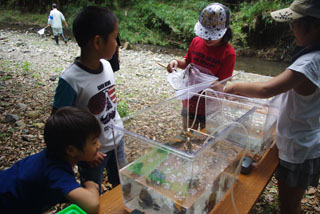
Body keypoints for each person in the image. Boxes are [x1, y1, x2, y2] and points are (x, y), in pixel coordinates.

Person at [224, 1, 320, 213]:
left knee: (288, 206)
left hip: (299, 149)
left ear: (316, 26)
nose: (291, 28)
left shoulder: (309, 63)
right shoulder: (314, 58)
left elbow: (267, 89)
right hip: (303, 141)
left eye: (295, 22)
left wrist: (236, 86)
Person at [51, 6, 125, 194]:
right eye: (115, 37)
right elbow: (59, 124)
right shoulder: (71, 80)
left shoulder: (107, 66)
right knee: (93, 192)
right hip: (93, 153)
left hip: (117, 140)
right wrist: (84, 153)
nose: (118, 43)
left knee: (123, 184)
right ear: (98, 41)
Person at [0, 107, 100, 214]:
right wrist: (91, 187)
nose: (99, 145)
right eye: (94, 142)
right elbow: (92, 205)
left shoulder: (53, 155)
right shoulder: (55, 172)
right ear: (71, 150)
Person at [167, 2, 236, 131]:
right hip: (190, 100)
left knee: (207, 138)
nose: (208, 39)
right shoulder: (196, 42)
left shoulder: (228, 53)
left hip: (210, 105)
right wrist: (175, 62)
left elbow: (222, 85)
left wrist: (203, 78)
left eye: (212, 35)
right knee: (187, 133)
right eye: (205, 33)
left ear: (225, 31)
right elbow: (187, 63)